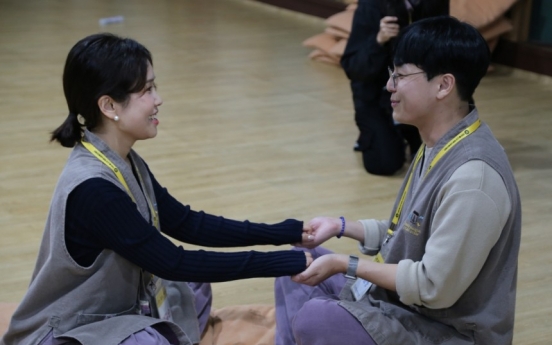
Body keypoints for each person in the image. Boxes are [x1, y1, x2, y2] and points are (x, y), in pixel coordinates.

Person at [0, 33, 314, 345]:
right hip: (70, 330)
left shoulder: (124, 160)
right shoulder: (94, 189)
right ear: (110, 105)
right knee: (159, 323)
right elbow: (171, 261)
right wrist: (287, 264)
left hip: (118, 308)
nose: (158, 100)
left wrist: (289, 232)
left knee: (193, 283)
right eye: (148, 90)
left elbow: (187, 223)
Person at [275, 16, 521, 345]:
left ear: (443, 85)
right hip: (402, 308)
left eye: (401, 75)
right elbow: (406, 231)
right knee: (293, 264)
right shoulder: (437, 143)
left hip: (449, 332)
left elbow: (432, 286)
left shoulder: (474, 178)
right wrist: (341, 226)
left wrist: (344, 264)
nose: (389, 85)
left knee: (317, 317)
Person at [341, 0, 448, 175]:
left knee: (439, 157)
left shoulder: (435, 4)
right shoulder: (371, 5)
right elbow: (353, 67)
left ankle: (406, 131)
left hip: (418, 95)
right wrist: (379, 40)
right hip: (376, 96)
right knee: (384, 163)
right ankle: (377, 133)